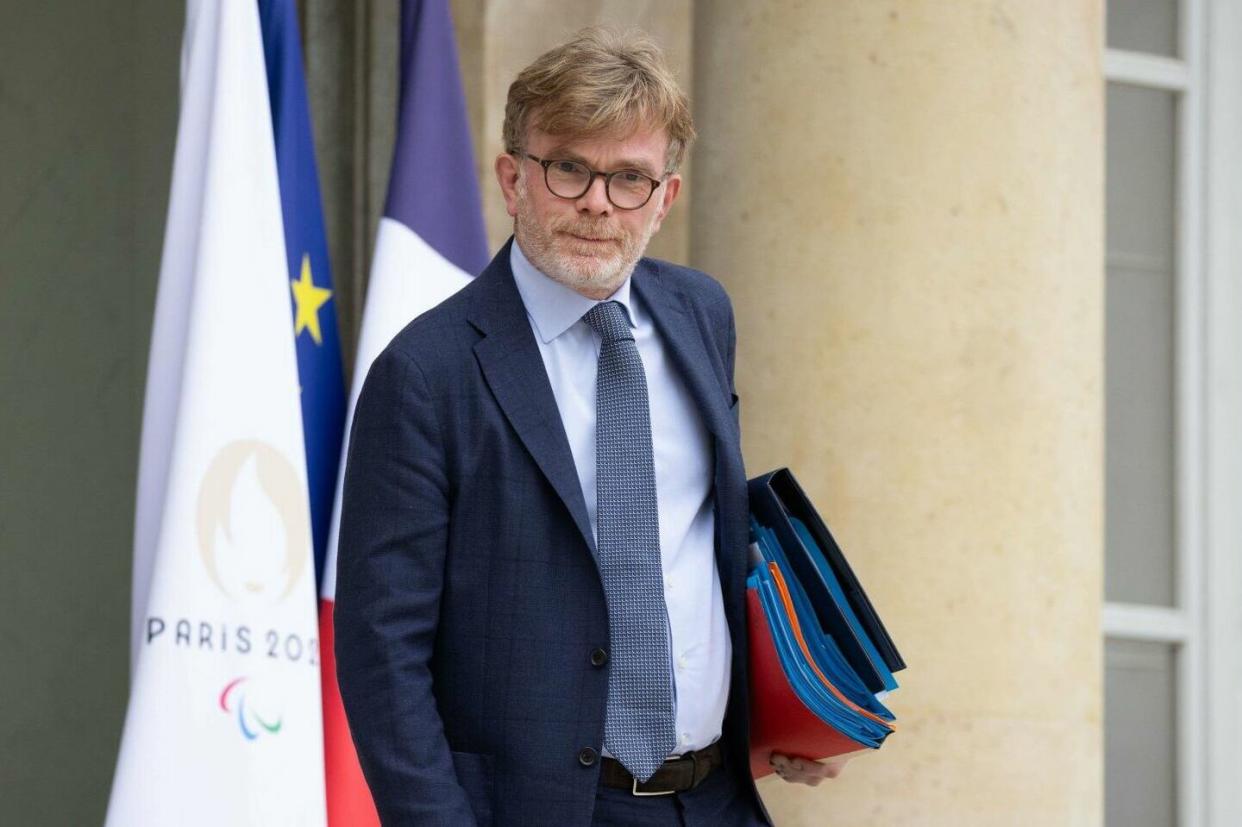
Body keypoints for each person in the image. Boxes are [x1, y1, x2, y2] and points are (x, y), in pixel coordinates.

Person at [335, 26, 847, 827]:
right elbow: (379, 652)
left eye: (630, 178)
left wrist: (784, 707)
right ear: (512, 178)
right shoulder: (425, 373)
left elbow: (698, 547)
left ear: (666, 198)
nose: (597, 203)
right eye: (568, 168)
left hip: (717, 801)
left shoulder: (701, 314)